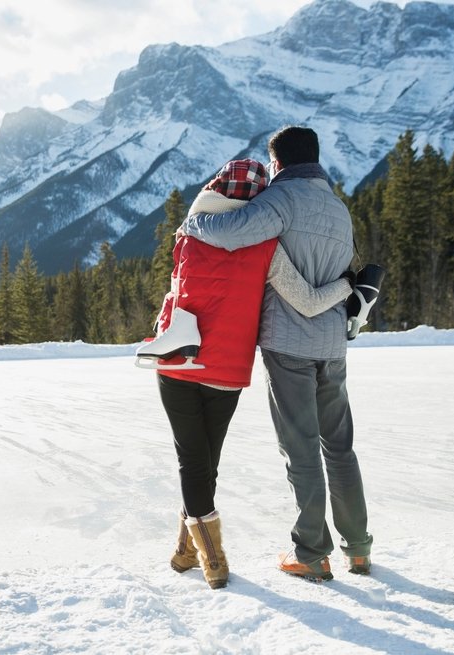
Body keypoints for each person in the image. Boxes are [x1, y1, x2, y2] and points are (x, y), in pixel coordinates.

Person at [145, 159, 355, 589]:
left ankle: (213, 559)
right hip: (228, 371)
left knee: (192, 461)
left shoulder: (190, 233)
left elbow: (175, 294)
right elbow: (309, 301)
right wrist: (347, 287)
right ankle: (188, 550)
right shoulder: (267, 248)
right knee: (207, 462)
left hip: (180, 362)